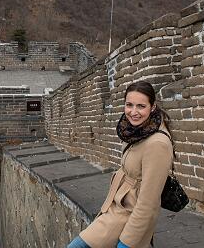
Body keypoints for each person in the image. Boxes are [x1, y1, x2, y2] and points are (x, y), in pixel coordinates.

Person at [67, 80, 173, 248]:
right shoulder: (135, 132)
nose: (133, 112)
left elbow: (149, 202)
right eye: (129, 105)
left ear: (152, 107)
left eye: (141, 106)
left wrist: (127, 242)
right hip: (116, 208)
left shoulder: (157, 143)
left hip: (129, 216)